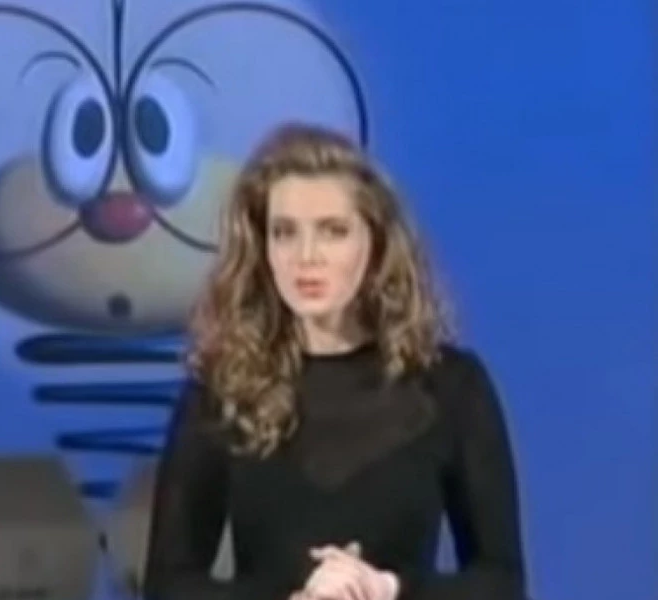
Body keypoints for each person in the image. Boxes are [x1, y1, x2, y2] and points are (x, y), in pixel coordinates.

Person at [141, 122, 528, 600]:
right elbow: (168, 586)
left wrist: (386, 589)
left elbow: (501, 581)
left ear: (375, 242)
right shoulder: (221, 393)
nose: (307, 257)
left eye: (333, 232)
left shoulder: (451, 387)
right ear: (263, 248)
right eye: (285, 233)